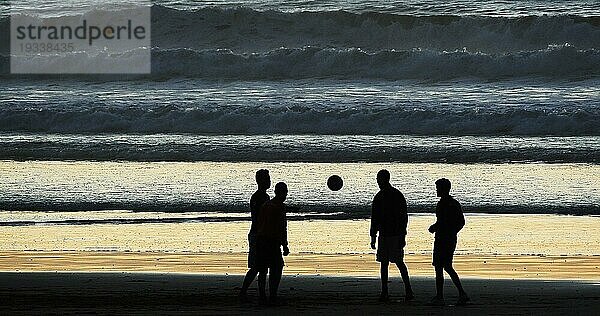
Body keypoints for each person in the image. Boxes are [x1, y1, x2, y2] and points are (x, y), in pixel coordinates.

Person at [370, 169, 414, 302]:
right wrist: (373, 236)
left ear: (384, 180)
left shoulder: (385, 196)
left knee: (395, 263)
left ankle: (405, 290)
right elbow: (376, 218)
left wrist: (402, 235)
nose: (378, 182)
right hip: (388, 234)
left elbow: (376, 218)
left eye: (379, 180)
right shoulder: (395, 195)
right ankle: (390, 291)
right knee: (390, 263)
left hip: (392, 234)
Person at [428, 178, 469, 306]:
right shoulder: (452, 203)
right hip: (447, 238)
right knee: (445, 267)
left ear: (443, 189)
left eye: (438, 188)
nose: (436, 190)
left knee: (442, 267)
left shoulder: (446, 204)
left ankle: (442, 296)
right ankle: (459, 294)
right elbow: (459, 222)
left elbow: (448, 222)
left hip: (443, 239)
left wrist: (443, 229)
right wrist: (447, 230)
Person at [255, 182, 290, 305]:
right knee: (276, 268)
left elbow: (259, 223)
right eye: (284, 192)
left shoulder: (266, 205)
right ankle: (272, 295)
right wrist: (285, 245)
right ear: (280, 192)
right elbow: (281, 228)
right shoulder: (279, 207)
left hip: (261, 239)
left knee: (263, 269)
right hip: (271, 241)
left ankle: (263, 296)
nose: (285, 195)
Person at [239, 169, 271, 301]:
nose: (269, 181)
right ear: (259, 181)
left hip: (261, 234)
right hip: (257, 234)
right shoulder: (258, 197)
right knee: (257, 266)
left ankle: (261, 293)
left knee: (262, 267)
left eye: (269, 179)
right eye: (266, 179)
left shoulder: (264, 197)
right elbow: (259, 217)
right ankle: (245, 291)